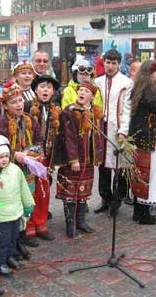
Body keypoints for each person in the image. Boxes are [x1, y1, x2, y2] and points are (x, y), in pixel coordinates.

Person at [0, 81, 43, 248]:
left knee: (26, 205)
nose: (19, 105)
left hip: (27, 172)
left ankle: (21, 237)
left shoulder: (30, 120)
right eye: (13, 102)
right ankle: (11, 244)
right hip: (8, 172)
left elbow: (39, 139)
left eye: (20, 100)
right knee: (11, 206)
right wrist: (14, 155)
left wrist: (34, 152)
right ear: (4, 105)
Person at [56, 81, 104, 236]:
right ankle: (71, 225)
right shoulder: (70, 111)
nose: (82, 93)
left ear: (92, 96)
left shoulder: (94, 112)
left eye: (86, 91)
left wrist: (99, 155)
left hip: (88, 158)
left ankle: (81, 222)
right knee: (70, 192)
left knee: (83, 191)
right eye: (80, 90)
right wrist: (73, 159)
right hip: (74, 159)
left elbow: (98, 137)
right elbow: (68, 137)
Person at [0, 135, 35, 275]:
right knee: (2, 241)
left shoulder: (15, 170)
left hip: (15, 213)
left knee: (13, 238)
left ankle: (8, 257)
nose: (4, 159)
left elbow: (24, 188)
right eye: (0, 157)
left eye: (6, 156)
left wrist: (28, 205)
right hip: (0, 217)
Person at [129, 60, 156, 224]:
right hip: (152, 141)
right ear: (150, 74)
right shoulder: (155, 94)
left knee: (140, 176)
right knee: (151, 177)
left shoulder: (138, 90)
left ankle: (138, 210)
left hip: (139, 139)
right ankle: (144, 214)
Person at [94, 49, 133, 216]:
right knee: (103, 166)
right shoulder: (97, 82)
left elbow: (127, 108)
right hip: (100, 128)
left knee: (119, 166)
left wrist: (123, 130)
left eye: (114, 63)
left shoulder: (126, 82)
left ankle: (117, 201)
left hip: (117, 129)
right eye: (108, 63)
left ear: (119, 64)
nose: (110, 66)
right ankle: (105, 199)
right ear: (104, 63)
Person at [25, 74, 61, 241]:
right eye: (42, 86)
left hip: (47, 157)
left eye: (49, 87)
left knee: (44, 191)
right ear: (35, 90)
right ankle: (29, 226)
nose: (45, 89)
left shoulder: (55, 110)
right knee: (30, 193)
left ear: (53, 92)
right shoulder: (27, 107)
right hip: (31, 157)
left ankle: (41, 223)